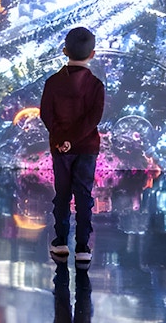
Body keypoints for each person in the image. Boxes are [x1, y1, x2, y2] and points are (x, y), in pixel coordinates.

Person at [40, 27, 105, 267]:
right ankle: (82, 247)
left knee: (63, 194)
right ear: (93, 54)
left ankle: (60, 242)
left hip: (60, 149)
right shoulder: (96, 85)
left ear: (65, 51)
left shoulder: (52, 83)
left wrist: (62, 140)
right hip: (87, 148)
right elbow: (93, 118)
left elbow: (46, 114)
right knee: (84, 196)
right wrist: (75, 140)